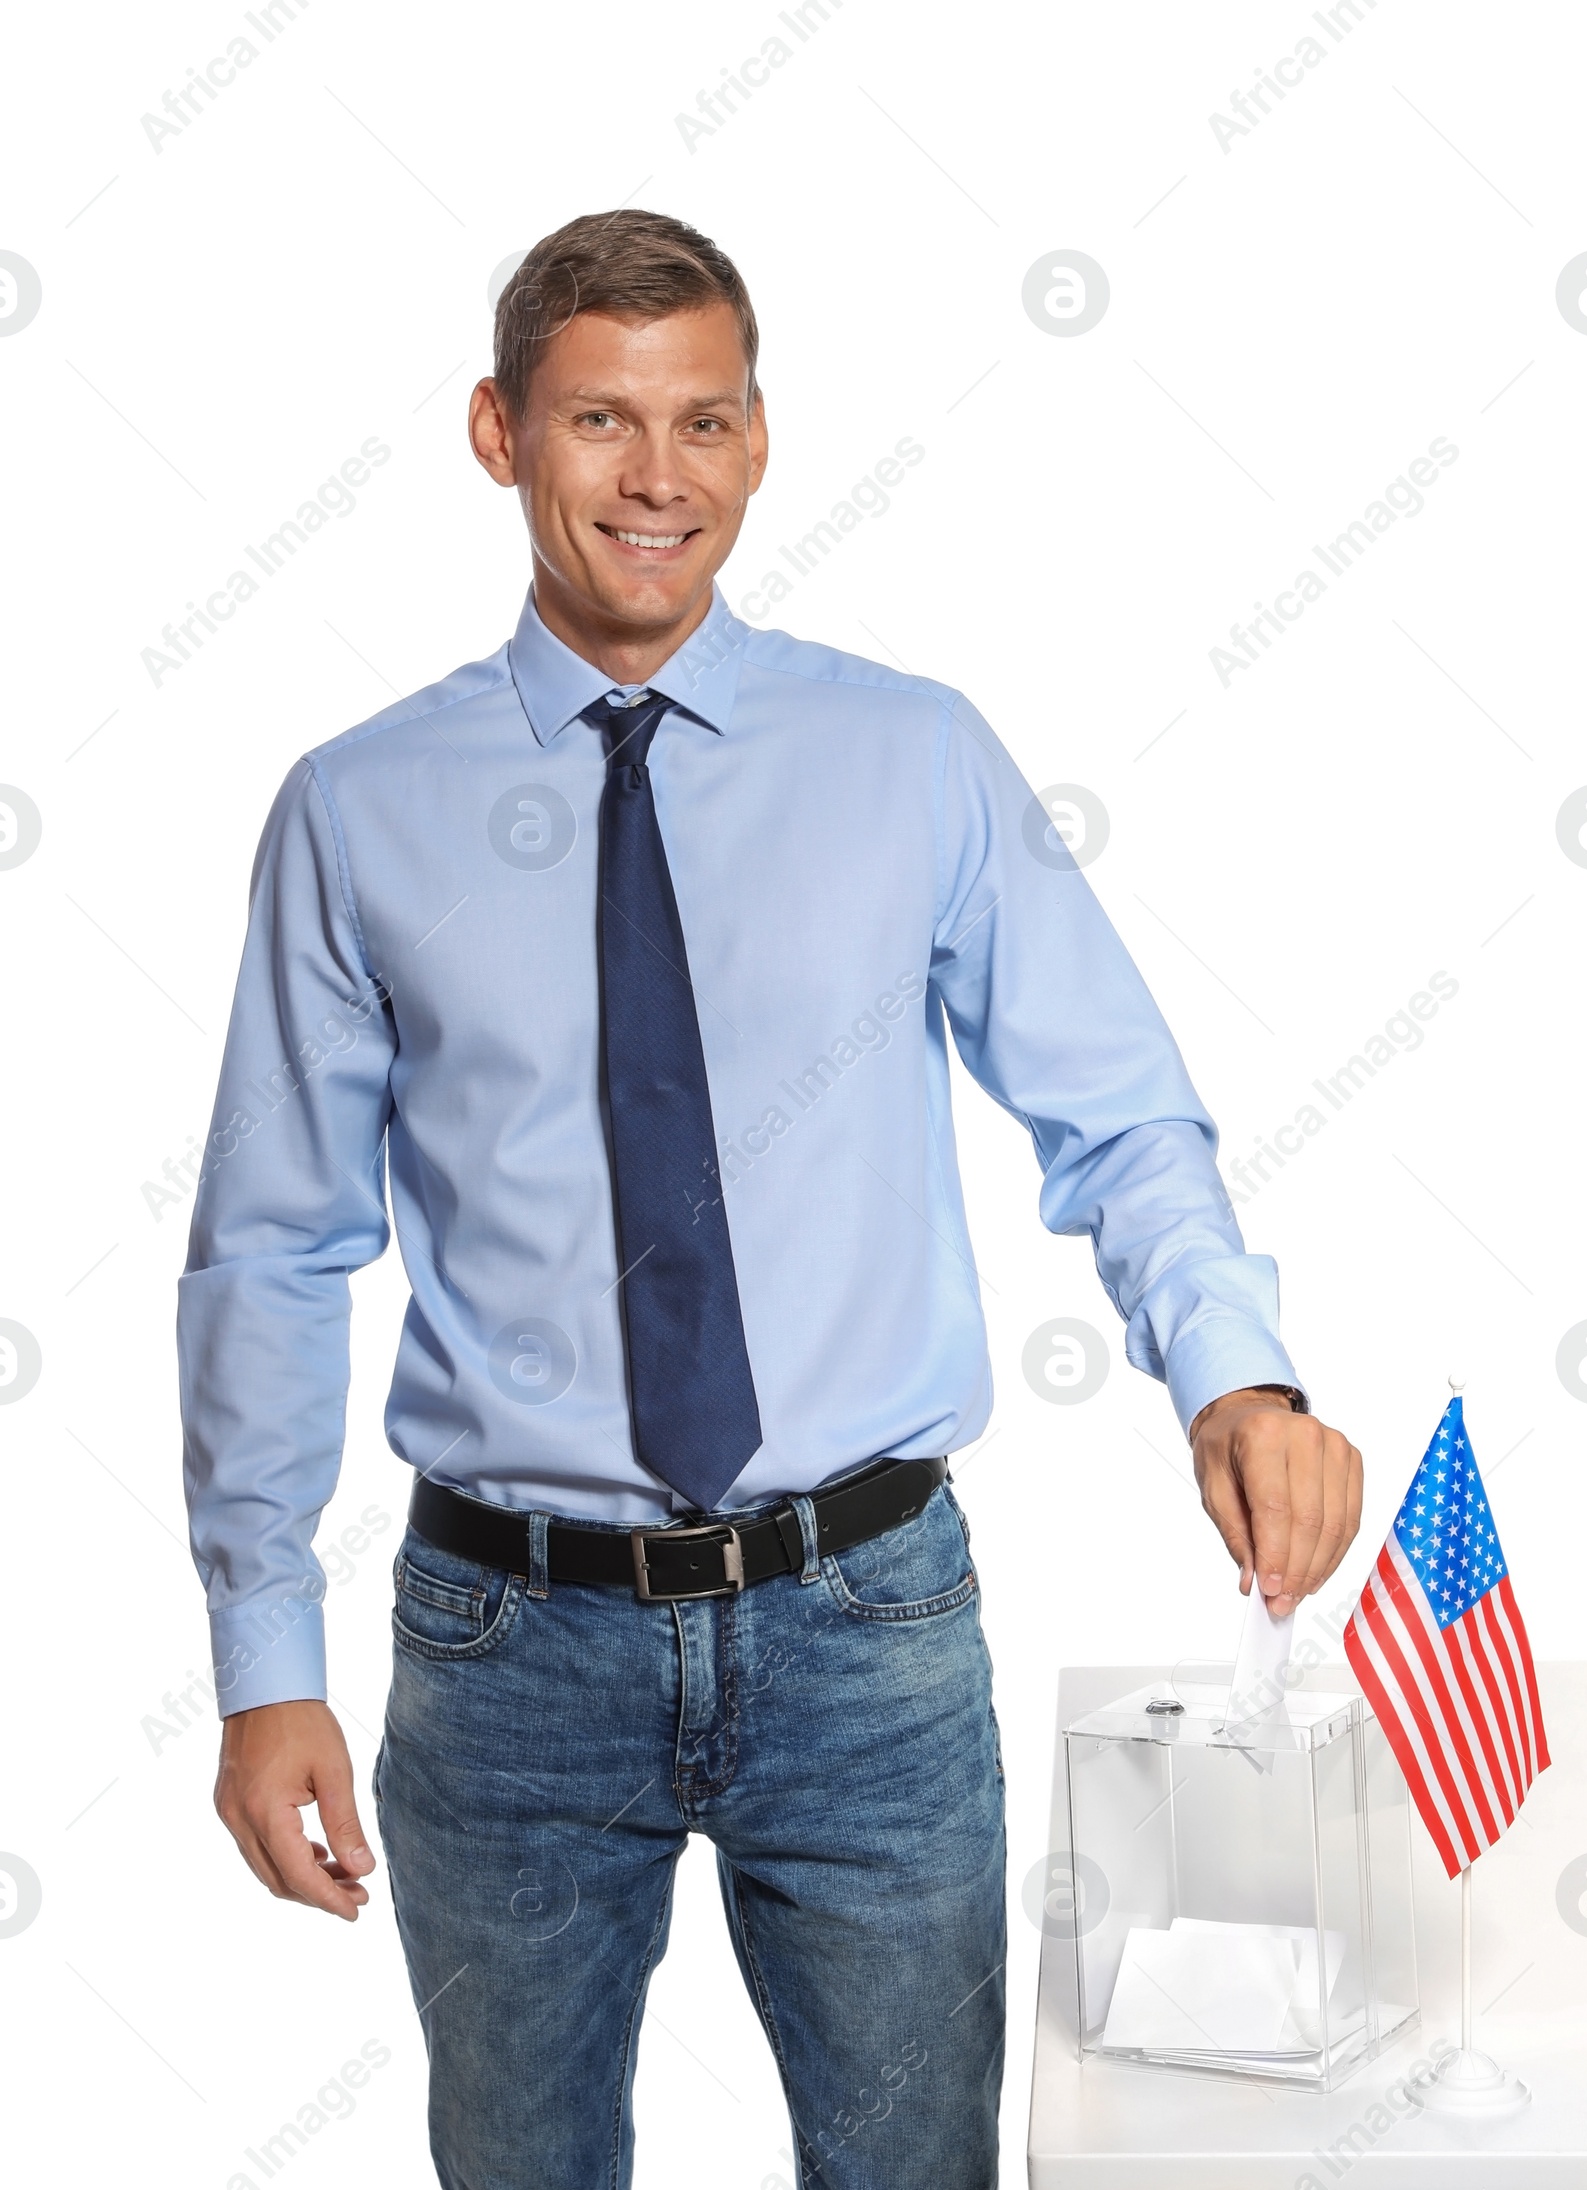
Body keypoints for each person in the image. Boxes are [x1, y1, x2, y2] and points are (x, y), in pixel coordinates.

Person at [180, 209, 1362, 2190]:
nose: (657, 480)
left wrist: (1230, 1379)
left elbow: (1121, 1120)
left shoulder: (911, 758)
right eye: (598, 422)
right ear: (497, 431)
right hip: (505, 1650)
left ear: (756, 438)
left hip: (865, 1626)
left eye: (703, 421)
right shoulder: (357, 811)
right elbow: (274, 1247)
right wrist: (258, 1655)